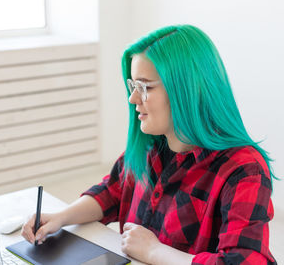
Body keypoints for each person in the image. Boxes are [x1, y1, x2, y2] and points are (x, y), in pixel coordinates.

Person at [21, 24, 277, 264]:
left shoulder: (244, 170)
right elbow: (111, 191)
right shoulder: (150, 146)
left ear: (188, 89)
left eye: (145, 87)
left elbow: (246, 261)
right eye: (133, 85)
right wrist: (60, 218)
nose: (133, 98)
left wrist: (155, 251)